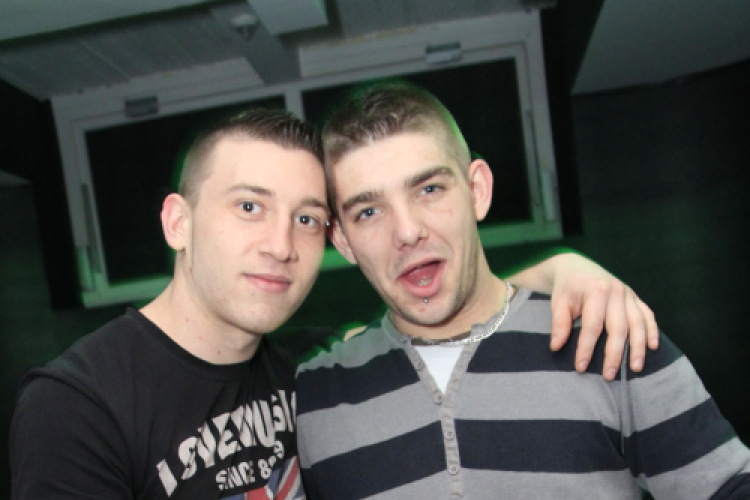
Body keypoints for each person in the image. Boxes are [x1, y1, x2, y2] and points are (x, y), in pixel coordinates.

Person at [11, 108, 653, 500]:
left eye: (307, 219)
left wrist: (558, 270)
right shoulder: (76, 403)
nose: (280, 245)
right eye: (249, 206)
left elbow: (438, 310)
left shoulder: (311, 362)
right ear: (179, 222)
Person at [295, 81, 750, 499]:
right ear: (342, 241)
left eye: (429, 189)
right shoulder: (313, 394)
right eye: (368, 212)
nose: (407, 231)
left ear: (477, 190)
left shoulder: (605, 332)